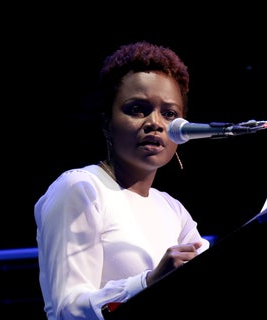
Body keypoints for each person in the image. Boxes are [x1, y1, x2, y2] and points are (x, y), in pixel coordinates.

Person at [34, 41, 210, 319]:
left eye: (169, 114)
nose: (156, 122)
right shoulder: (81, 188)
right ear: (106, 123)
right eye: (138, 109)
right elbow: (67, 309)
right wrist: (147, 283)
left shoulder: (172, 209)